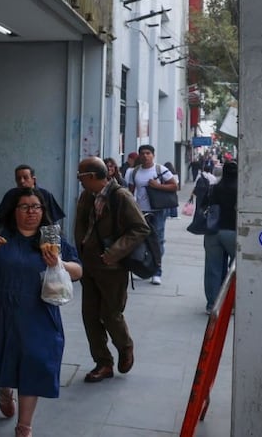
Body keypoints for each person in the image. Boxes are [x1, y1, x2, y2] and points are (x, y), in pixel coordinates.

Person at [0, 187, 82, 437]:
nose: (32, 212)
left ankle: (24, 426)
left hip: (39, 314)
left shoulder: (51, 238)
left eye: (37, 207)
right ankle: (5, 388)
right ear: (14, 210)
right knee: (6, 358)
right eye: (25, 207)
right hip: (0, 312)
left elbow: (78, 271)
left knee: (34, 364)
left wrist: (59, 263)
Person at [74, 157, 151, 383]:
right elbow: (81, 225)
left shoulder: (120, 196)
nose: (79, 180)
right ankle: (103, 362)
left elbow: (140, 228)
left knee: (110, 314)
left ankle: (125, 346)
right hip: (89, 264)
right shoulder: (87, 195)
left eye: (81, 176)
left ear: (92, 176)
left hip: (112, 267)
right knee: (90, 316)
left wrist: (114, 252)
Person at [124, 145, 177, 285]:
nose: (145, 156)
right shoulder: (134, 172)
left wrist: (157, 186)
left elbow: (174, 186)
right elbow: (130, 191)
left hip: (158, 211)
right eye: (142, 153)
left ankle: (157, 271)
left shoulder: (161, 170)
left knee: (158, 241)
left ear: (153, 155)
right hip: (140, 211)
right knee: (138, 240)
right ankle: (139, 268)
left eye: (148, 153)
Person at [201, 161, 238, 314]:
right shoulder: (241, 190)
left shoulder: (214, 188)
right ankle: (231, 303)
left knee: (212, 269)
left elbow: (203, 205)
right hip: (234, 232)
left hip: (213, 232)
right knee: (236, 270)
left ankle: (212, 304)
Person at [0, 164, 67, 223]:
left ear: (33, 179)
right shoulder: (10, 195)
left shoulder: (45, 195)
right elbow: (2, 219)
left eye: (25, 178)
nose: (22, 181)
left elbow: (53, 221)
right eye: (18, 178)